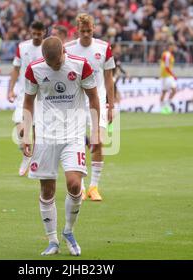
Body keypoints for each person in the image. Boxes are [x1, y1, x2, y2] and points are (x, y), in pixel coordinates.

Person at [22, 36, 100, 256]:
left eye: (56, 63)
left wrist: (94, 131)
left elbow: (93, 98)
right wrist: (27, 134)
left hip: (73, 134)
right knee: (47, 190)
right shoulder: (34, 69)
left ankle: (68, 231)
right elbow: (28, 102)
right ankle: (52, 241)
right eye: (49, 63)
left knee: (75, 184)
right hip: (46, 137)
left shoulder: (80, 65)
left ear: (63, 52)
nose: (53, 66)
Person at [64, 13, 115, 201]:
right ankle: (83, 187)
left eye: (89, 30)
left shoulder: (103, 48)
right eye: (82, 30)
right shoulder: (68, 48)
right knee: (76, 142)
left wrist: (111, 105)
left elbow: (109, 78)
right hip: (76, 101)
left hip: (99, 100)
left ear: (94, 28)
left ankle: (94, 186)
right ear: (77, 30)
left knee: (98, 140)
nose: (86, 33)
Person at [7, 21, 45, 176]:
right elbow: (16, 69)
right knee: (21, 128)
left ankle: (32, 161)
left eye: (39, 33)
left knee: (37, 131)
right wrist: (10, 90)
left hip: (42, 96)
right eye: (33, 33)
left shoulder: (48, 47)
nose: (36, 36)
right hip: (24, 94)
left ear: (44, 32)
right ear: (30, 31)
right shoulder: (22, 47)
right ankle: (25, 155)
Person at [159, 41, 178, 113]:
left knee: (164, 92)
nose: (173, 48)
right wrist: (173, 75)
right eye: (172, 46)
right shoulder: (167, 55)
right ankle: (166, 105)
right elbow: (167, 67)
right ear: (170, 47)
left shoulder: (168, 54)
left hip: (165, 76)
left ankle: (162, 108)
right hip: (167, 76)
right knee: (174, 90)